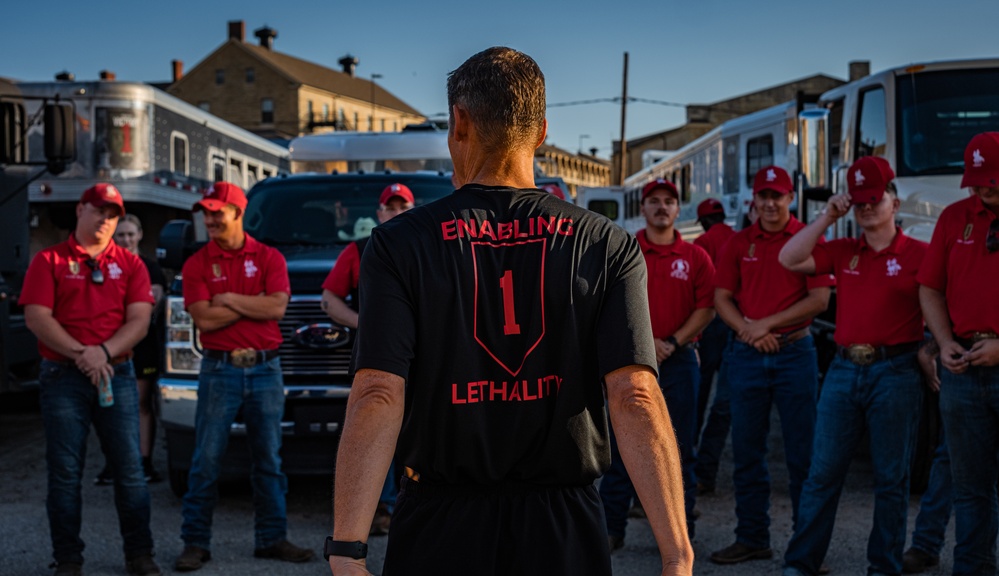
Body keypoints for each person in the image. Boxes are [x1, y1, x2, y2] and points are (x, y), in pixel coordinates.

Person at [327, 47, 693, 576]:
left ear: (459, 122)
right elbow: (635, 394)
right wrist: (676, 553)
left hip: (440, 523)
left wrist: (347, 550)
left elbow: (379, 393)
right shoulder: (605, 243)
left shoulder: (397, 245)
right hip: (564, 524)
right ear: (542, 131)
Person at [777, 156, 929, 575]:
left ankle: (883, 566)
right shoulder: (844, 250)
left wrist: (932, 349)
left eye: (874, 200)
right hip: (845, 370)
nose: (865, 209)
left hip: (895, 370)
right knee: (822, 473)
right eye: (859, 201)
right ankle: (801, 564)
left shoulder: (919, 253)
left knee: (891, 479)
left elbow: (939, 304)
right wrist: (827, 215)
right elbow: (790, 258)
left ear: (894, 203)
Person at [21, 183, 160, 576]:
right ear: (80, 210)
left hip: (116, 373)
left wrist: (104, 351)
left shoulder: (131, 264)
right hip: (62, 376)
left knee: (130, 469)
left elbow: (140, 319)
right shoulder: (48, 260)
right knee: (65, 471)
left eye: (113, 214)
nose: (105, 219)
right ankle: (68, 558)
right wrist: (84, 354)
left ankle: (139, 553)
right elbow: (37, 318)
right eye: (98, 210)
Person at [174, 182, 313, 571]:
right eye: (206, 212)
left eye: (218, 212)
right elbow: (204, 316)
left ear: (238, 212)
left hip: (266, 369)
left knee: (269, 460)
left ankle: (272, 538)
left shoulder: (269, 257)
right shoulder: (197, 263)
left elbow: (278, 308)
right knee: (206, 460)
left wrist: (231, 299)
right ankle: (195, 542)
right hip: (219, 369)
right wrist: (256, 306)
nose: (210, 219)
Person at [710, 165, 834, 565]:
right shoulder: (739, 241)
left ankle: (807, 548)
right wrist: (749, 330)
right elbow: (722, 297)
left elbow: (820, 301)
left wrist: (766, 324)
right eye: (762, 196)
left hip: (795, 353)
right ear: (754, 199)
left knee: (804, 455)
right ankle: (752, 537)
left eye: (777, 196)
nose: (769, 203)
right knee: (747, 451)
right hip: (748, 354)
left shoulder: (808, 239)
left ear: (790, 199)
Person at [600, 178, 715, 549]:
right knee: (622, 447)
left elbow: (707, 308)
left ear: (678, 210)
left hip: (679, 360)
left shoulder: (695, 256)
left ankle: (679, 538)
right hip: (631, 362)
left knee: (680, 450)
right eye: (654, 201)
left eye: (669, 201)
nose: (662, 207)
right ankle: (610, 529)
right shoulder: (626, 250)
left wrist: (672, 342)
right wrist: (644, 344)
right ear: (643, 208)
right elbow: (607, 302)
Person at [917, 131, 999, 576]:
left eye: (992, 179)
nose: (982, 187)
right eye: (978, 178)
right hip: (964, 370)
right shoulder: (953, 218)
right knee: (971, 488)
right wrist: (945, 340)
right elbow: (930, 286)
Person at [320, 182, 415, 536]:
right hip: (378, 362)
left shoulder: (430, 247)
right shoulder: (359, 250)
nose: (395, 213)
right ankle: (381, 508)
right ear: (378, 215)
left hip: (424, 362)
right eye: (389, 209)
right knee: (376, 432)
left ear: (413, 209)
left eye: (402, 207)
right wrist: (368, 324)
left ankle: (414, 502)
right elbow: (329, 298)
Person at [95, 215, 167, 485]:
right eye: (120, 235)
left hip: (142, 348)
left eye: (130, 234)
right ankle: (114, 463)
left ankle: (144, 463)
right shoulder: (103, 266)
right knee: (107, 405)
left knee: (140, 404)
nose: (125, 240)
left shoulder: (151, 269)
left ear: (139, 236)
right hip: (108, 348)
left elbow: (150, 308)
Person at [693, 198, 736, 496]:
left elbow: (702, 289)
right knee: (725, 404)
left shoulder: (702, 242)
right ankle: (708, 470)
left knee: (697, 398)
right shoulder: (737, 239)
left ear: (705, 221)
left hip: (709, 325)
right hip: (736, 322)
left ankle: (690, 469)